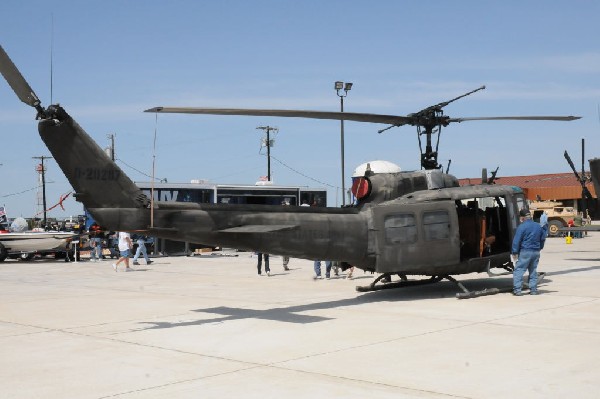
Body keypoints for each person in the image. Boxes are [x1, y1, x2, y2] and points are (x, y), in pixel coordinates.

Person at [511, 209, 546, 296]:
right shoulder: (538, 226)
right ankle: (533, 290)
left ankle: (517, 290)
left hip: (525, 251)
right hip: (536, 252)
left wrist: (514, 252)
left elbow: (516, 240)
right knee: (533, 270)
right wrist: (540, 247)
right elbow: (542, 238)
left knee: (519, 270)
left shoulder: (522, 227)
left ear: (522, 218)